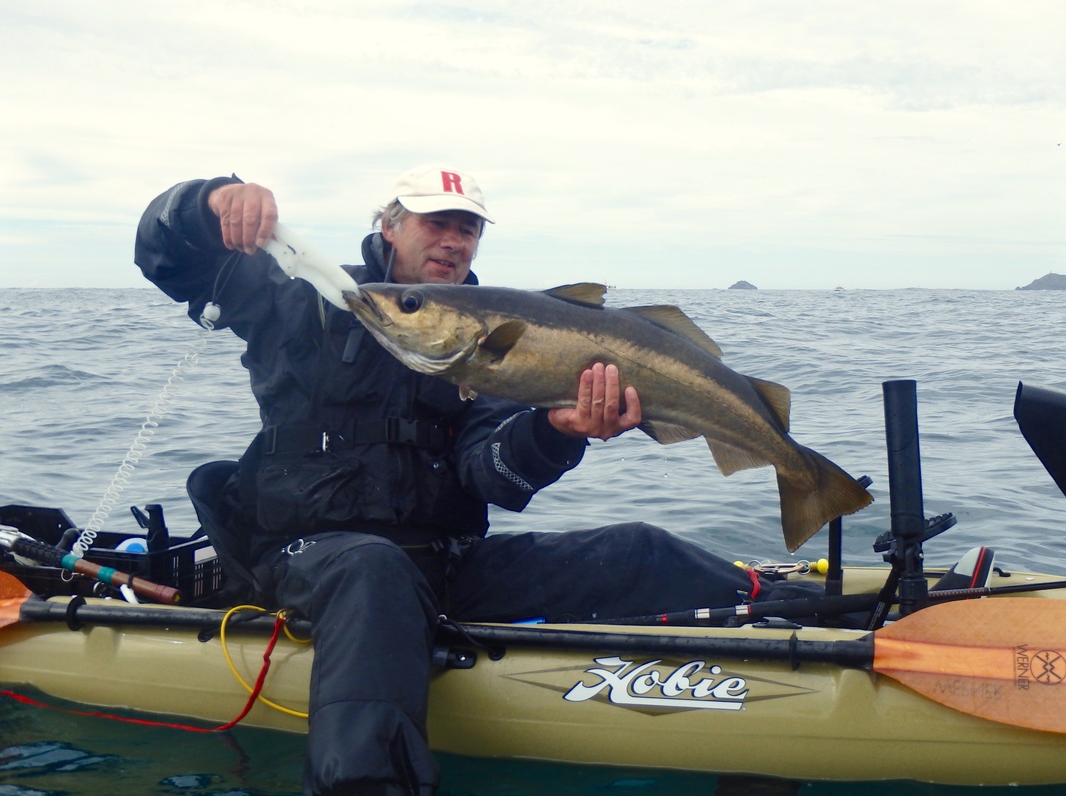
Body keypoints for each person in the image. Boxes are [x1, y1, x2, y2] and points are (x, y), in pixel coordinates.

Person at [135, 165, 813, 796]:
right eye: (436, 222)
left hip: (445, 564)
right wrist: (209, 199)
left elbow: (492, 475)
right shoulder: (300, 300)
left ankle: (813, 625)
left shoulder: (494, 346)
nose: (454, 240)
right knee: (372, 568)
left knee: (640, 550)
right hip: (307, 558)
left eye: (468, 228)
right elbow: (166, 258)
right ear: (389, 226)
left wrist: (558, 431)